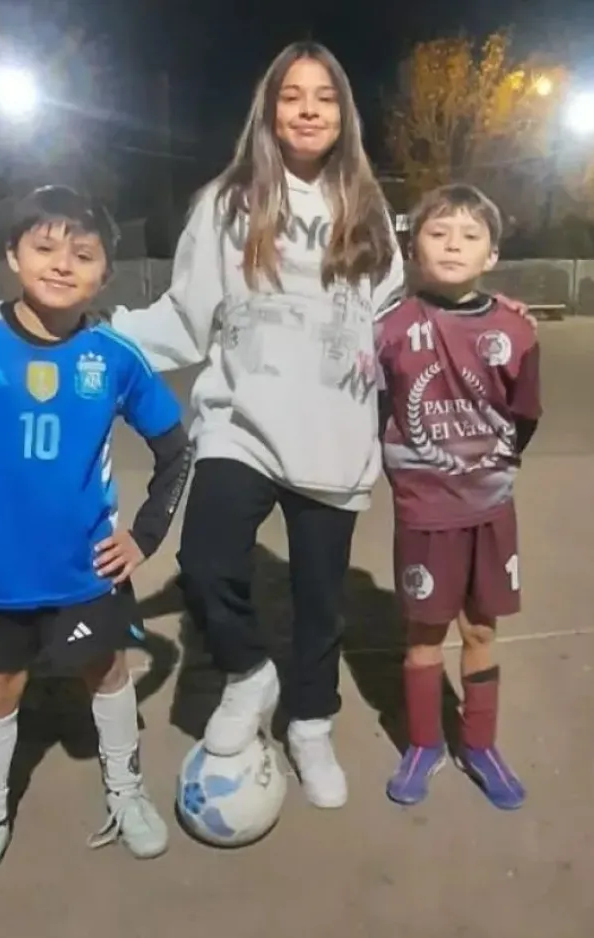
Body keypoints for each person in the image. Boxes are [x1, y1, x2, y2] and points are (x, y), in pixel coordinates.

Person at [110, 41, 405, 809]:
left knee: (320, 600)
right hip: (240, 420)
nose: (308, 110)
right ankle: (248, 672)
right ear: (268, 111)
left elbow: (394, 320)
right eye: (292, 96)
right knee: (206, 561)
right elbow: (186, 313)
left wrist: (468, 321)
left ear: (344, 114)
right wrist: (100, 338)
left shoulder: (367, 207)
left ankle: (311, 725)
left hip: (334, 430)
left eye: (324, 97)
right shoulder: (228, 202)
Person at [0, 186, 191, 912]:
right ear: (12, 256)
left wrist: (144, 535)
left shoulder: (114, 355)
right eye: (44, 247)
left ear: (104, 274)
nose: (61, 264)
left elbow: (176, 451)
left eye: (82, 254)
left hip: (87, 570)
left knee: (106, 671)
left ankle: (126, 790)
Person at [375, 183, 541, 810]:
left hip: (490, 510)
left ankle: (480, 743)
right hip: (425, 511)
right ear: (413, 246)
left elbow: (525, 414)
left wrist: (488, 467)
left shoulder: (515, 330)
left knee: (480, 631)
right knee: (424, 635)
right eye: (438, 232)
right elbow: (374, 408)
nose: (453, 245)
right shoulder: (389, 328)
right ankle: (424, 744)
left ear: (491, 255)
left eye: (470, 236)